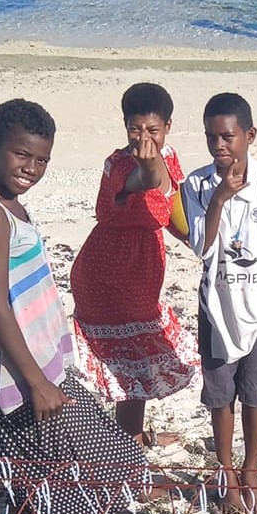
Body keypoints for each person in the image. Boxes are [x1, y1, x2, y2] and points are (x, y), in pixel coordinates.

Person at [0, 100, 152, 514]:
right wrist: (36, 382)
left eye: (42, 161)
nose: (32, 169)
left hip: (37, 364)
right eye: (22, 156)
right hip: (18, 372)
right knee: (67, 472)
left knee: (31, 469)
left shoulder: (11, 204)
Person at [178, 93, 257, 514]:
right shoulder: (196, 185)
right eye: (212, 137)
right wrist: (219, 199)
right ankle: (227, 473)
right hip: (219, 306)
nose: (220, 146)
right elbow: (202, 245)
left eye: (228, 137)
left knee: (255, 391)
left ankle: (251, 469)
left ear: (248, 136)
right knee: (220, 395)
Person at [69, 83, 199, 444]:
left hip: (143, 267)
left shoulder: (169, 155)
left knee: (135, 361)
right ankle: (127, 446)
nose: (143, 137)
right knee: (132, 361)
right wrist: (146, 165)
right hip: (108, 271)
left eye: (152, 131)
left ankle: (130, 437)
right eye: (135, 129)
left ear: (168, 127)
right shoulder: (120, 164)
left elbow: (174, 210)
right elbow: (146, 180)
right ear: (125, 125)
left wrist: (198, 242)